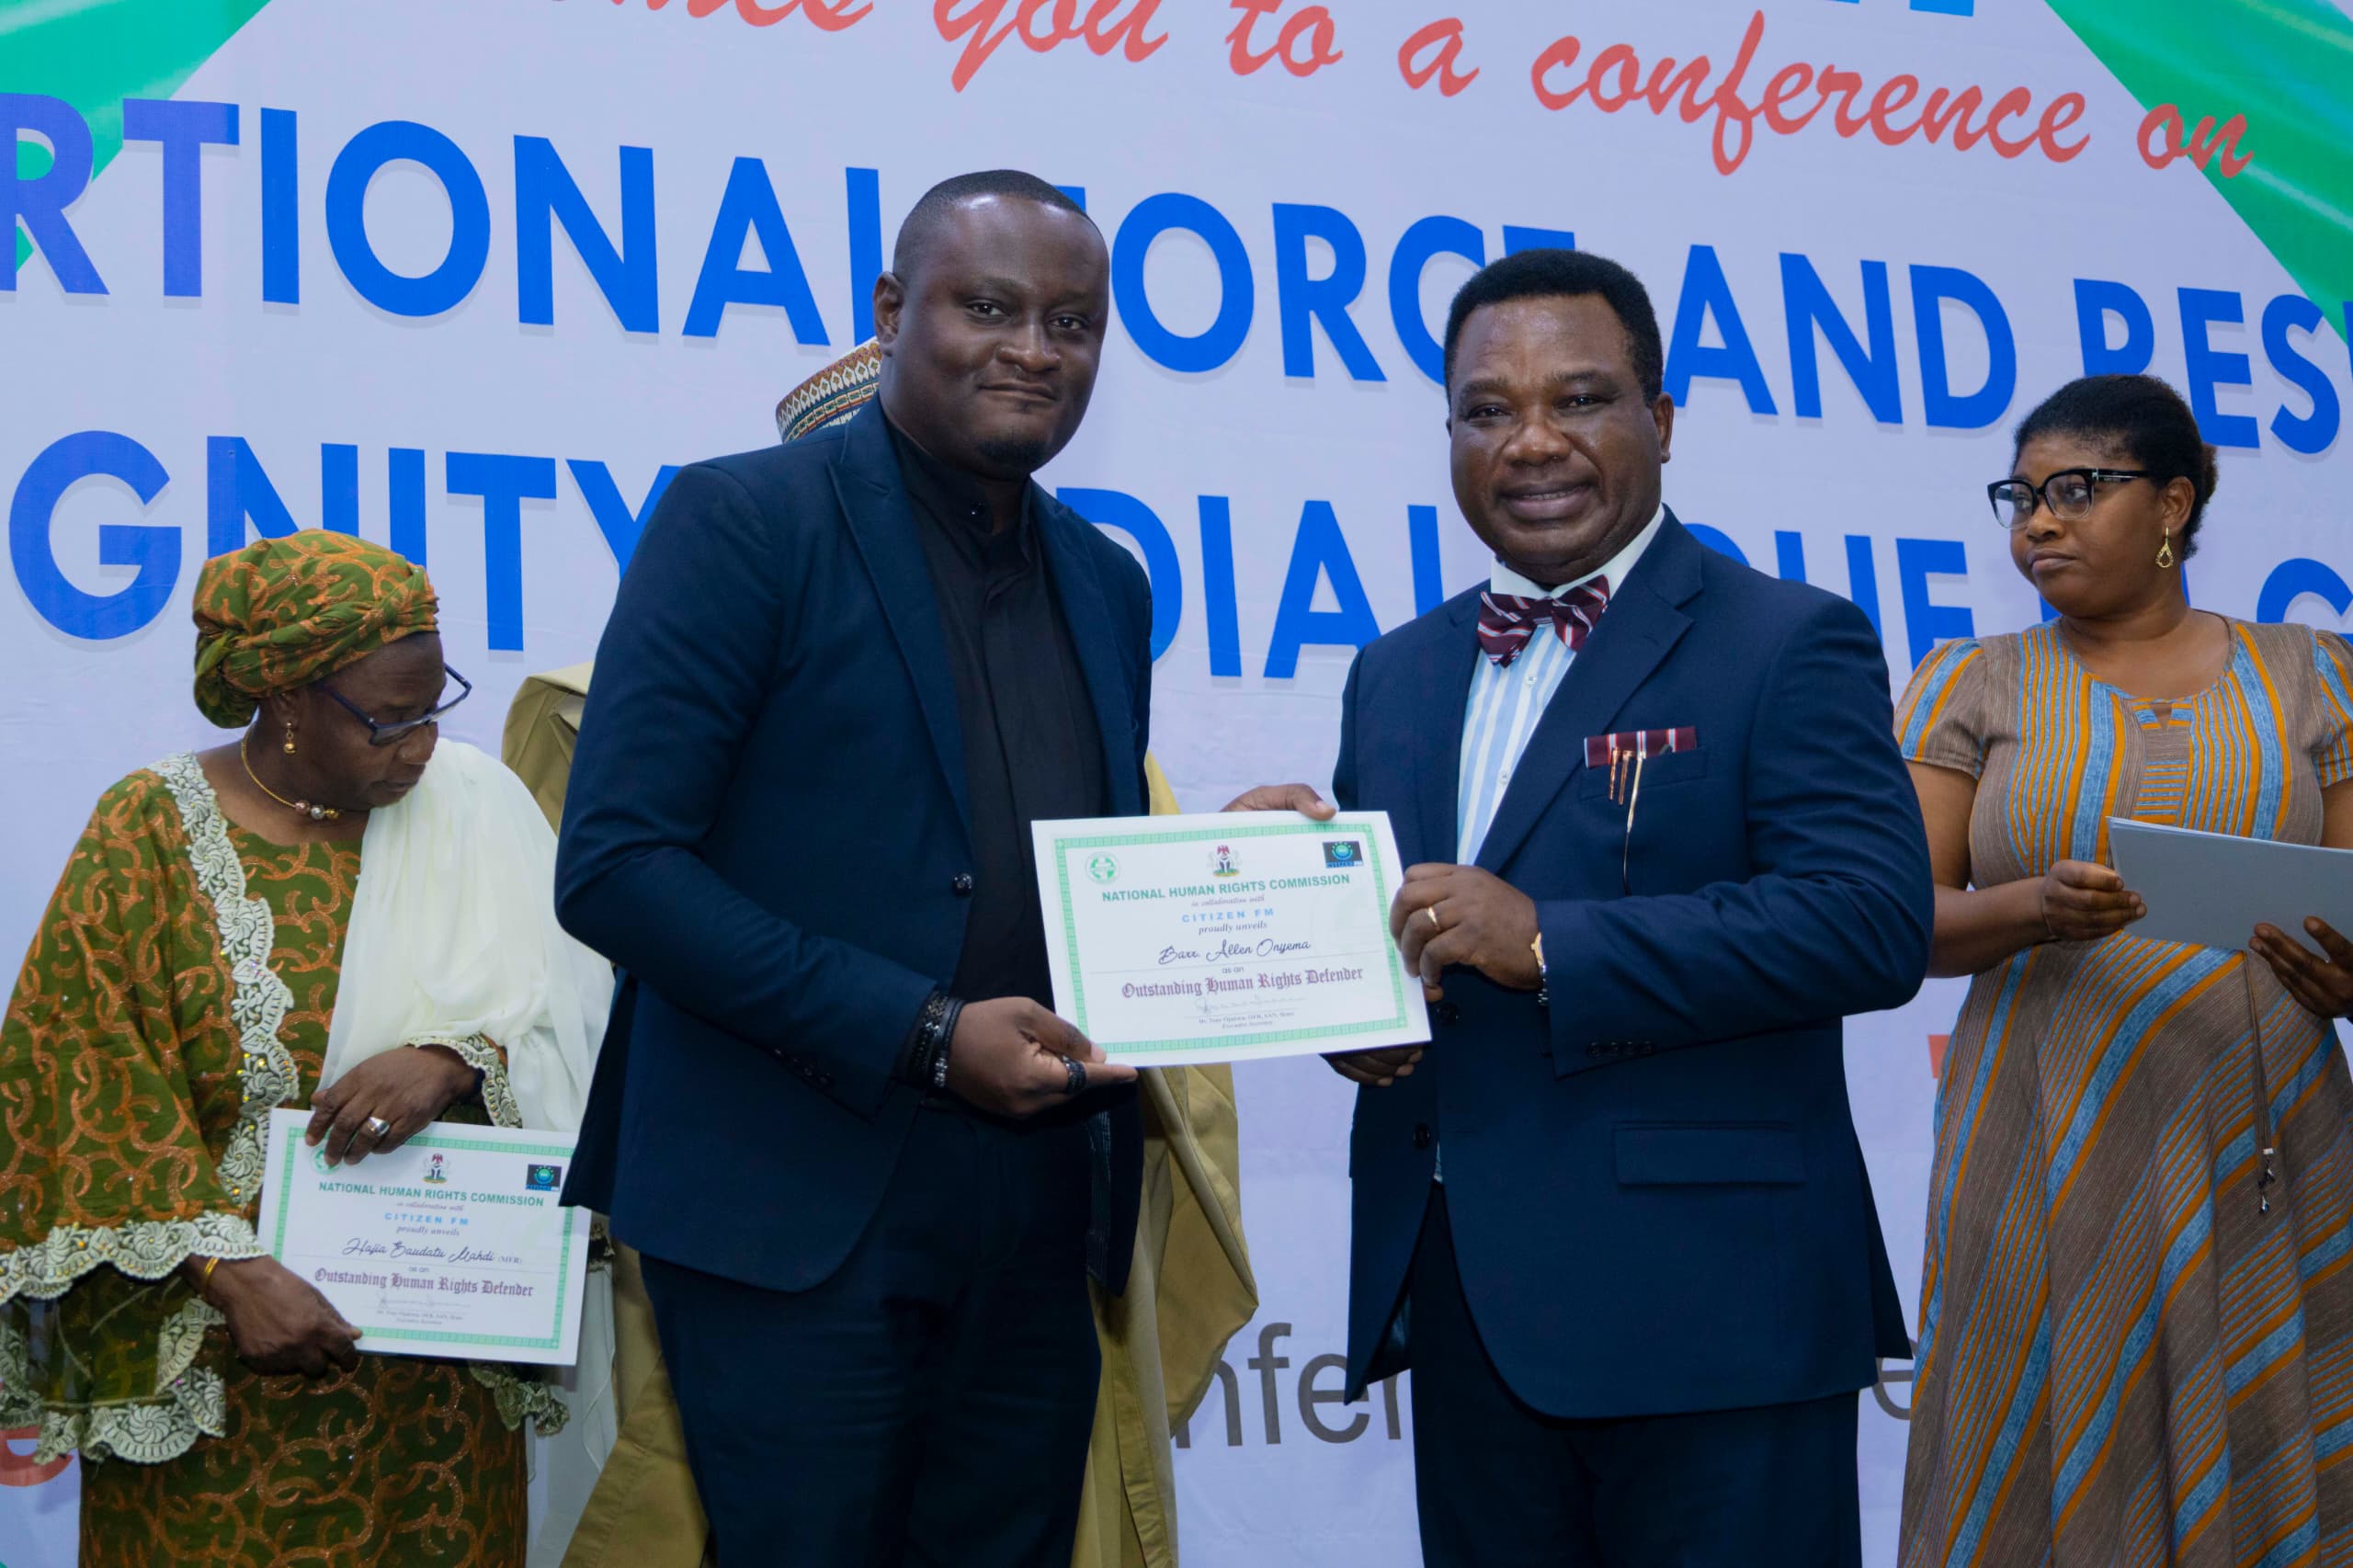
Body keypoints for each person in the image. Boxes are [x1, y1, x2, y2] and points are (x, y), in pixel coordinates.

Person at [1228, 248, 1932, 1565]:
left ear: (1660, 420)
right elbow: (1417, 949)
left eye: (1581, 399)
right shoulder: (1393, 671)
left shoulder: (1786, 637)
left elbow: (1868, 920)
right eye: (1487, 410)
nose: (1532, 441)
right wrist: (1325, 972)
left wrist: (1548, 942)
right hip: (1467, 1306)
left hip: (1714, 1309)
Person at [552, 170, 1154, 1565]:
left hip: (1039, 1206)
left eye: (1070, 322)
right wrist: (926, 1033)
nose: (1033, 350)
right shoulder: (742, 519)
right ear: (892, 311)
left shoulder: (1109, 579)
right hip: (790, 1196)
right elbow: (619, 865)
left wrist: (1235, 867)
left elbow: (1062, 859)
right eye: (988, 308)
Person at [0, 531, 610, 1566]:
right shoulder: (150, 830)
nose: (420, 746)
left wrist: (454, 1058)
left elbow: (581, 1021)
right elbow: (78, 1077)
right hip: (221, 1367)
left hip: (438, 1392)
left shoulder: (476, 808)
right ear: (287, 698)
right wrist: (225, 1269)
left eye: (434, 709)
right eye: (389, 720)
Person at [1896, 373, 2353, 1564]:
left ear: (2173, 504)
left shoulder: (2316, 674)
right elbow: (1897, 919)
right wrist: (2030, 908)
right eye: (2021, 497)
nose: (2037, 523)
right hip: (2039, 1136)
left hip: (2264, 1135)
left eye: (2076, 490)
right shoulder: (1970, 680)